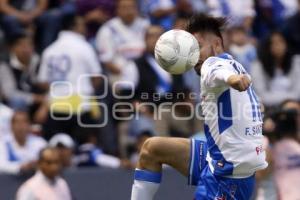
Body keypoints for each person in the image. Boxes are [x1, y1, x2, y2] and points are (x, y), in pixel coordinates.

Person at [131, 14, 268, 200]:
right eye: (190, 50)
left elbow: (217, 71)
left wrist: (233, 80)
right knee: (152, 148)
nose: (193, 55)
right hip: (217, 157)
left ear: (217, 45)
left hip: (228, 178)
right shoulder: (237, 66)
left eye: (198, 48)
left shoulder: (214, 65)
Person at [38, 13, 102, 141]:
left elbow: (43, 82)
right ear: (74, 26)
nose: (85, 28)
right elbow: (97, 77)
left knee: (57, 149)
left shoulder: (50, 50)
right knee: (80, 150)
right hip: (81, 107)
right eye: (82, 24)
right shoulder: (85, 47)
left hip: (56, 106)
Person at [96, 0, 149, 89]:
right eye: (124, 8)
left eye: (131, 7)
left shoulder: (145, 25)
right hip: (120, 74)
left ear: (137, 9)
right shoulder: (108, 29)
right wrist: (129, 74)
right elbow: (106, 61)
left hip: (145, 74)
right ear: (117, 10)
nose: (129, 11)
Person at [251, 32, 300, 107]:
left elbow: (297, 93)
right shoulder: (258, 65)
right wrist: (287, 101)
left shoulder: (296, 62)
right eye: (274, 43)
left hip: (293, 105)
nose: (278, 46)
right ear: (267, 47)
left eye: (281, 42)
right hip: (267, 108)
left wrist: (288, 103)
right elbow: (261, 95)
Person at [0, 32, 46, 110]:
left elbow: (46, 84)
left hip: (41, 103)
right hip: (15, 105)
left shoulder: (39, 61)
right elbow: (10, 94)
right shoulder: (4, 65)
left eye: (29, 44)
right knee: (17, 101)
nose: (26, 49)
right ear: (12, 48)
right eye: (21, 45)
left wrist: (44, 104)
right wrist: (35, 98)